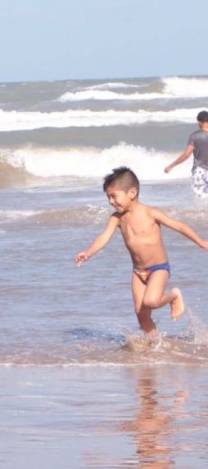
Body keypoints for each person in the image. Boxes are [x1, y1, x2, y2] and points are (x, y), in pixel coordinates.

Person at [75, 167, 208, 343]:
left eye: (114, 196)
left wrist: (201, 242)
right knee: (141, 314)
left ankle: (173, 296)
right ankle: (156, 344)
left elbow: (179, 226)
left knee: (151, 301)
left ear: (132, 192)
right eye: (108, 197)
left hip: (159, 269)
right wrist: (89, 252)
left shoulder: (150, 213)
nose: (111, 201)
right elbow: (103, 238)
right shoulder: (116, 218)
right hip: (138, 272)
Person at [163, 110, 208, 198]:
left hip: (200, 171)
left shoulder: (195, 136)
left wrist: (171, 165)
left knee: (201, 198)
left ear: (200, 122)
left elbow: (186, 155)